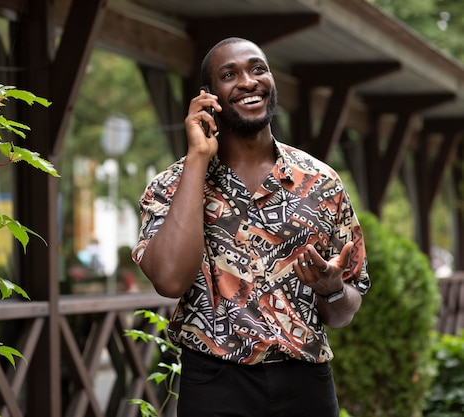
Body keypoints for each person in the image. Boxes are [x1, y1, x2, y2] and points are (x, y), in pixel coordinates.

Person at [131, 37, 371, 417]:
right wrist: (198, 158)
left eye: (258, 69)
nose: (248, 81)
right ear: (209, 97)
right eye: (230, 75)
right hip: (214, 385)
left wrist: (332, 289)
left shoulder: (322, 182)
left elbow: (344, 313)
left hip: (305, 385)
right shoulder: (170, 186)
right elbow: (170, 281)